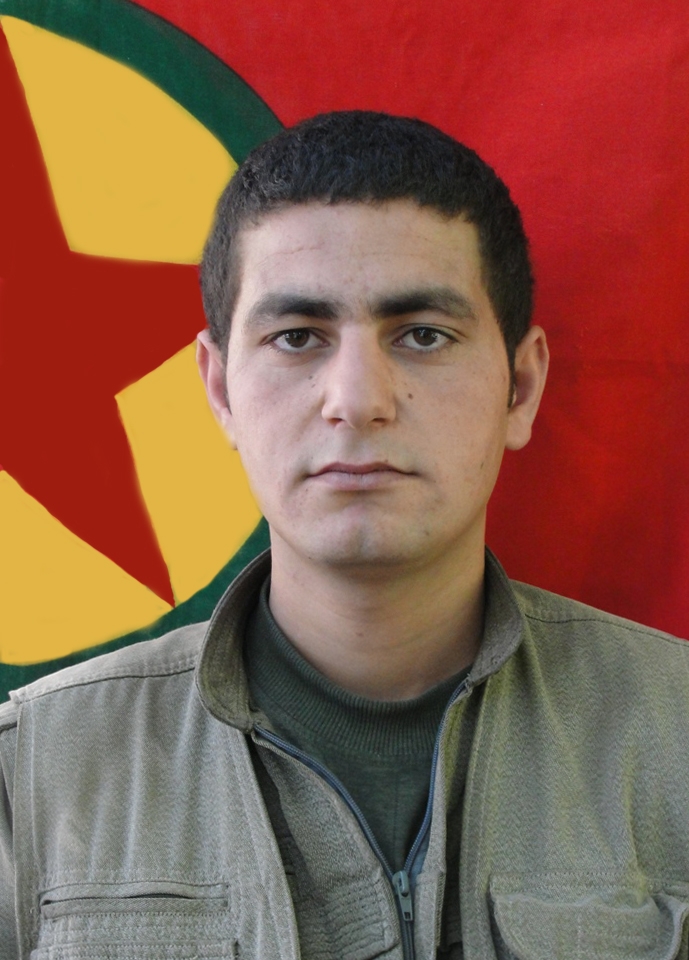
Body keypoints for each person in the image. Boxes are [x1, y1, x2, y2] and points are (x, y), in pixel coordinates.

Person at [1, 111, 688, 960]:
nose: (357, 399)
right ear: (220, 391)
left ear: (518, 387)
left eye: (423, 335)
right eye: (296, 338)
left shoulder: (674, 737)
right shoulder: (32, 779)